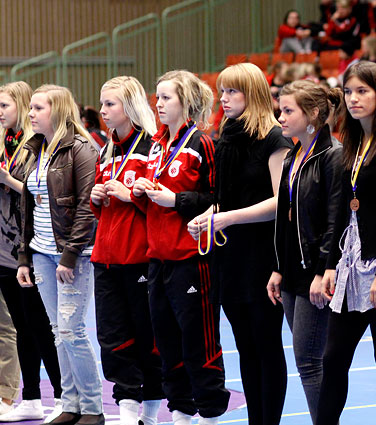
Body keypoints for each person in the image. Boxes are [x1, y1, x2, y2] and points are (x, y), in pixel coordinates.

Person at [186, 63, 291, 425]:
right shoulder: (225, 136)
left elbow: (281, 202)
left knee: (266, 343)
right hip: (230, 256)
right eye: (223, 91)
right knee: (245, 346)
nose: (223, 98)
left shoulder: (275, 139)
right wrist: (208, 214)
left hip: (263, 254)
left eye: (232, 92)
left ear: (253, 94)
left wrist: (227, 217)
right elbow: (225, 197)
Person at [131, 70, 229, 425]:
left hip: (192, 258)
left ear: (185, 102)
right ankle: (180, 413)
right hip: (157, 257)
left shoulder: (202, 144)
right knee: (166, 343)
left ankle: (211, 414)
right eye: (157, 97)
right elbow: (155, 205)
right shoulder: (157, 145)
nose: (158, 104)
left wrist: (177, 200)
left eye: (166, 97)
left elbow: (219, 200)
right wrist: (142, 194)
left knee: (198, 344)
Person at [315, 61, 376, 425]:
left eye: (362, 91)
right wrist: (329, 265)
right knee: (333, 357)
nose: (353, 99)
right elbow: (341, 208)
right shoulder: (352, 141)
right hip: (349, 265)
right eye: (348, 92)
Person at [17, 85, 102, 425]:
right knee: (57, 330)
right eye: (31, 108)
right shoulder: (34, 149)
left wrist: (69, 255)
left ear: (58, 110)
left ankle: (93, 408)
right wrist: (24, 256)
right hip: (40, 252)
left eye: (38, 108)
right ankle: (70, 403)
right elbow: (26, 208)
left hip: (73, 255)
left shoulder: (81, 149)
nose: (31, 114)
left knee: (72, 330)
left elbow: (86, 208)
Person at [264, 78, 342, 424]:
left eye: (288, 110)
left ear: (312, 114)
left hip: (315, 272)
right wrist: (278, 267)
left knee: (310, 361)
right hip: (293, 272)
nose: (281, 117)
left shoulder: (332, 156)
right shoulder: (293, 154)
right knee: (309, 360)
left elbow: (334, 219)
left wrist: (323, 269)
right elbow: (284, 216)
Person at [89, 76, 163, 425]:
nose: (103, 111)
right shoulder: (107, 150)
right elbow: (101, 207)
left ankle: (147, 414)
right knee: (111, 338)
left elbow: (161, 204)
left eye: (110, 104)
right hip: (105, 257)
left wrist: (131, 195)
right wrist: (96, 198)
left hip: (140, 258)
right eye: (102, 104)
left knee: (145, 336)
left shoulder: (151, 148)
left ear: (130, 107)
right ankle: (127, 410)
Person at [0, 81, 62, 423]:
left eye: (5, 105)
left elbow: (39, 191)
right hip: (6, 247)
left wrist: (6, 179)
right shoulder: (7, 143)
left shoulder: (31, 147)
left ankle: (65, 396)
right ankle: (32, 397)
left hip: (32, 245)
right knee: (23, 326)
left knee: (41, 325)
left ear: (21, 106)